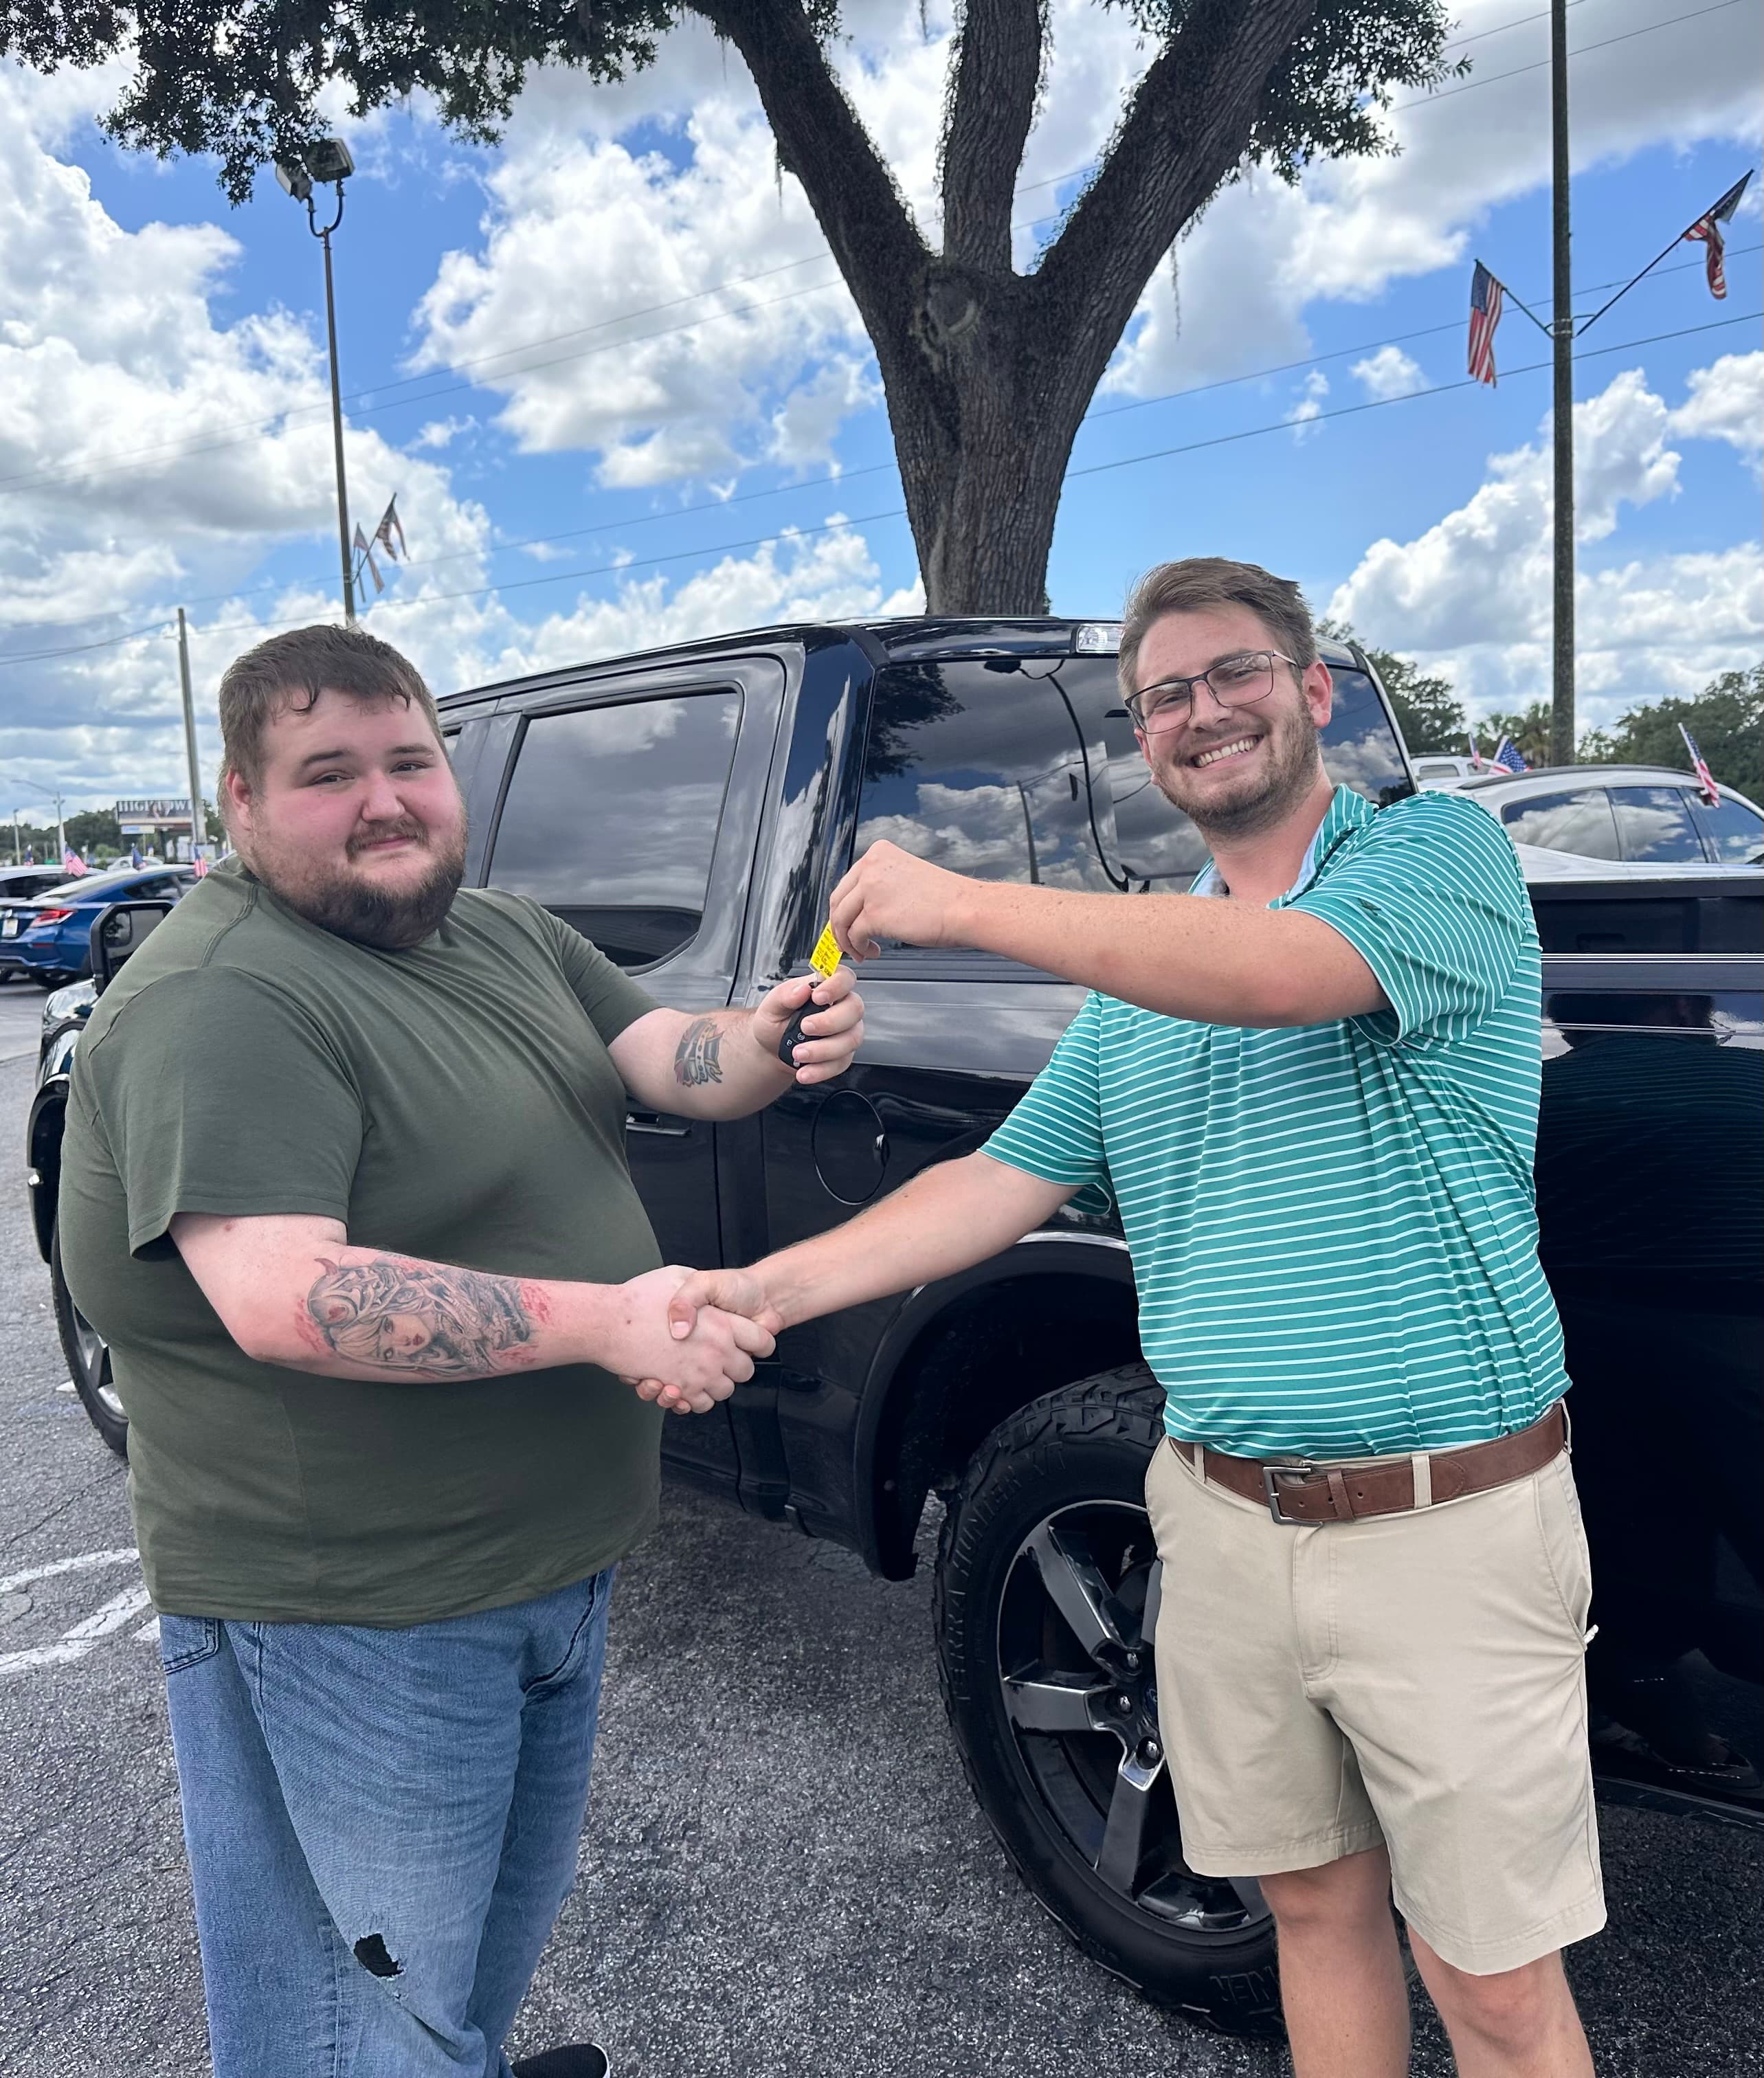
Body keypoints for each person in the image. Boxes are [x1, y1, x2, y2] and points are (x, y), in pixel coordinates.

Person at [661, 559, 1602, 2077]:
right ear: (1144, 743)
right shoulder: (1137, 987)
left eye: (1234, 674)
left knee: (1492, 1986)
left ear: (1313, 692)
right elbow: (995, 1183)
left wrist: (962, 903)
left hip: (1442, 1526)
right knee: (1311, 1913)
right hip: (1216, 1525)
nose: (1200, 712)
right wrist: (757, 1294)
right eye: (1164, 696)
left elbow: (1292, 972)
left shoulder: (1440, 854)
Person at [57, 623, 866, 2078]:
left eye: (410, 761)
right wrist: (613, 1322)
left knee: (457, 1976)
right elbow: (291, 1297)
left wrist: (772, 1035)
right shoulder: (223, 997)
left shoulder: (499, 931)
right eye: (328, 773)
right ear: (239, 798)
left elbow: (676, 1059)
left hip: (546, 1568)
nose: (385, 801)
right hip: (359, 1614)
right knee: (355, 2018)